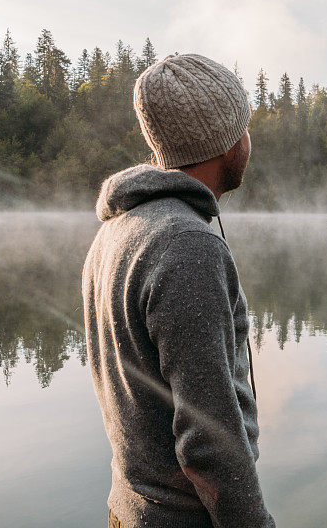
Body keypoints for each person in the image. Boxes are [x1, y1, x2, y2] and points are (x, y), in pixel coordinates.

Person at [82, 53, 275, 528]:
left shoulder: (119, 229)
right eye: (243, 127)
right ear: (225, 143)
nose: (248, 141)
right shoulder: (188, 247)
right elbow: (209, 441)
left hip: (130, 509)